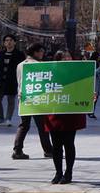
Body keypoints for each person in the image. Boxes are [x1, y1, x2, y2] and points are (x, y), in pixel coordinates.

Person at [42, 50, 86, 184]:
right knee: (56, 145)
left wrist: (91, 95)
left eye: (69, 56)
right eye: (63, 57)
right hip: (54, 111)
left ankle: (68, 173)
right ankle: (58, 173)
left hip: (70, 111)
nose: (67, 59)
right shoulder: (50, 73)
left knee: (68, 143)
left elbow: (85, 87)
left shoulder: (77, 72)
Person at [12, 43, 54, 160]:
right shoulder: (39, 65)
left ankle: (17, 150)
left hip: (23, 98)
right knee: (42, 126)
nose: (43, 53)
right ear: (35, 53)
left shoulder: (20, 65)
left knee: (23, 125)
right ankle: (48, 150)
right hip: (37, 99)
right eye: (41, 51)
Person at [0, 34, 25, 126]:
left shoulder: (19, 55)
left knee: (11, 100)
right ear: (4, 43)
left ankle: (8, 119)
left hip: (12, 80)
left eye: (10, 40)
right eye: (6, 40)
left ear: (14, 42)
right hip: (0, 81)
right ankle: (0, 117)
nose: (8, 42)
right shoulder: (1, 54)